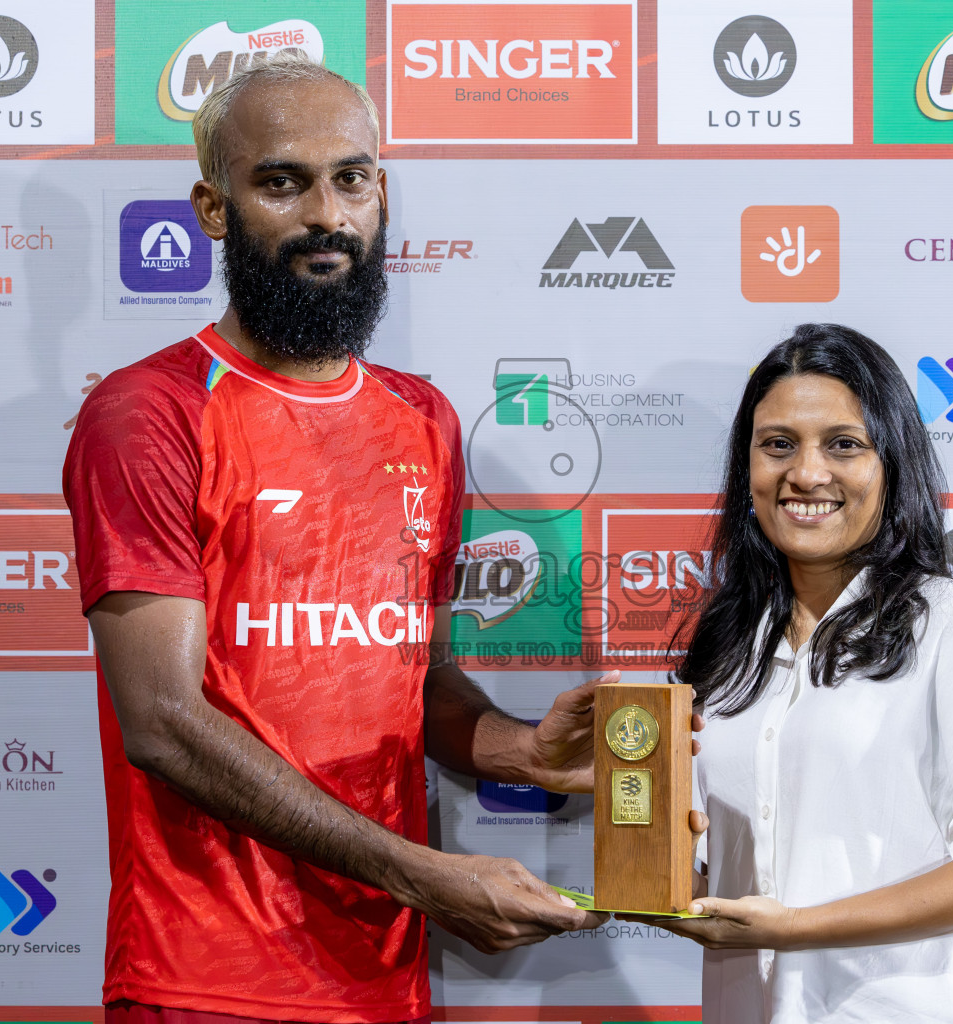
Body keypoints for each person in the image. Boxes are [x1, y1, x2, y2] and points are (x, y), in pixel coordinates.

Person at [62, 52, 609, 1024]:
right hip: (206, 980)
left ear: (381, 194)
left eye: (350, 178)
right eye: (283, 181)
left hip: (380, 983)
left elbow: (415, 683)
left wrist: (521, 751)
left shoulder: (425, 419)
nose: (326, 213)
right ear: (214, 208)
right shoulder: (149, 413)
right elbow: (163, 721)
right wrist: (419, 873)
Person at [650, 324, 953, 1022]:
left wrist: (792, 928)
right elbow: (722, 871)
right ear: (745, 465)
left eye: (843, 444)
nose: (806, 474)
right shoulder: (726, 649)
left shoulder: (948, 625)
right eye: (777, 444)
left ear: (891, 463)